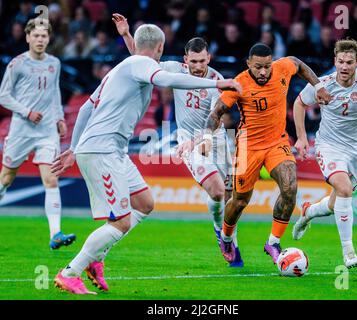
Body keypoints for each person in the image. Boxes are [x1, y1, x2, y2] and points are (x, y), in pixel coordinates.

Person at [50, 22, 242, 295]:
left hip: (113, 149)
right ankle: (70, 272)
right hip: (103, 150)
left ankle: (96, 259)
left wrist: (73, 147)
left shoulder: (123, 67)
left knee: (145, 203)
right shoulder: (142, 64)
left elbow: (84, 108)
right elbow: (165, 79)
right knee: (120, 222)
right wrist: (219, 82)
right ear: (162, 49)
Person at [178, 43, 332, 266]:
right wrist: (208, 137)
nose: (263, 72)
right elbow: (216, 113)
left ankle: (273, 242)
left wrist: (318, 86)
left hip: (277, 142)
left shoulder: (282, 68)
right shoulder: (239, 83)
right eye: (258, 67)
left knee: (290, 188)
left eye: (267, 66)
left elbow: (298, 64)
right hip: (248, 146)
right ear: (249, 64)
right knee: (239, 200)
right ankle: (227, 237)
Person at [114, 13, 244, 267]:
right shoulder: (174, 70)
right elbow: (141, 60)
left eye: (202, 61)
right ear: (185, 60)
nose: (197, 66)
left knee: (229, 197)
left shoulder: (217, 82)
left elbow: (213, 122)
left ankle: (228, 237)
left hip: (214, 138)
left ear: (209, 58)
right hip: (187, 140)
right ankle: (223, 236)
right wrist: (127, 35)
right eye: (193, 61)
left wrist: (199, 141)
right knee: (217, 190)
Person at [292, 39, 357, 268]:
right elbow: (299, 104)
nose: (344, 67)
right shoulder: (323, 84)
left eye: (349, 62)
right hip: (328, 146)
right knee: (344, 189)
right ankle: (348, 251)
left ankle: (309, 211)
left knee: (334, 205)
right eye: (340, 61)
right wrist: (302, 137)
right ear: (335, 61)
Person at [0, 19, 76, 249]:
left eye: (44, 36)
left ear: (48, 39)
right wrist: (26, 111)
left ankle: (56, 234)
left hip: (46, 131)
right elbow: (3, 96)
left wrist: (60, 117)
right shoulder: (17, 64)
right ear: (28, 38)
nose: (40, 40)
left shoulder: (55, 63)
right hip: (22, 129)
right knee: (6, 179)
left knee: (51, 178)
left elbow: (54, 94)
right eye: (36, 36)